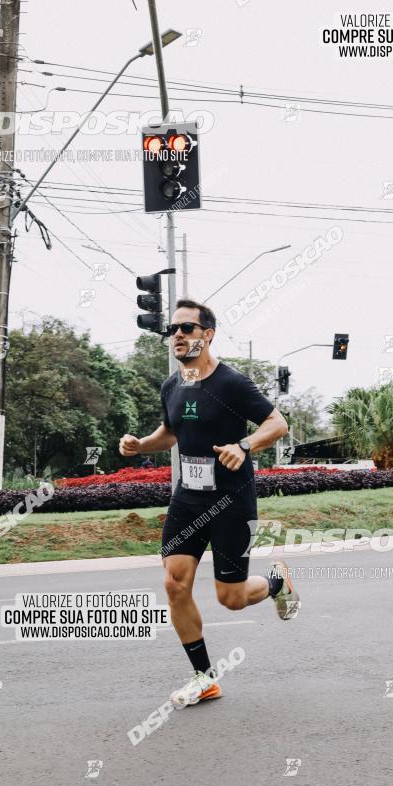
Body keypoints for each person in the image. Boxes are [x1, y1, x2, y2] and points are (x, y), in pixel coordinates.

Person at [119, 298, 299, 708]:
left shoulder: (231, 383)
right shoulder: (172, 385)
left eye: (186, 328)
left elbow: (277, 423)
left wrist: (245, 445)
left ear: (207, 335)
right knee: (173, 582)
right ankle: (204, 679)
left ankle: (276, 583)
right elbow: (171, 432)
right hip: (187, 501)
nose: (177, 336)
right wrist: (140, 444)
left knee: (231, 599)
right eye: (173, 330)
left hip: (232, 501)